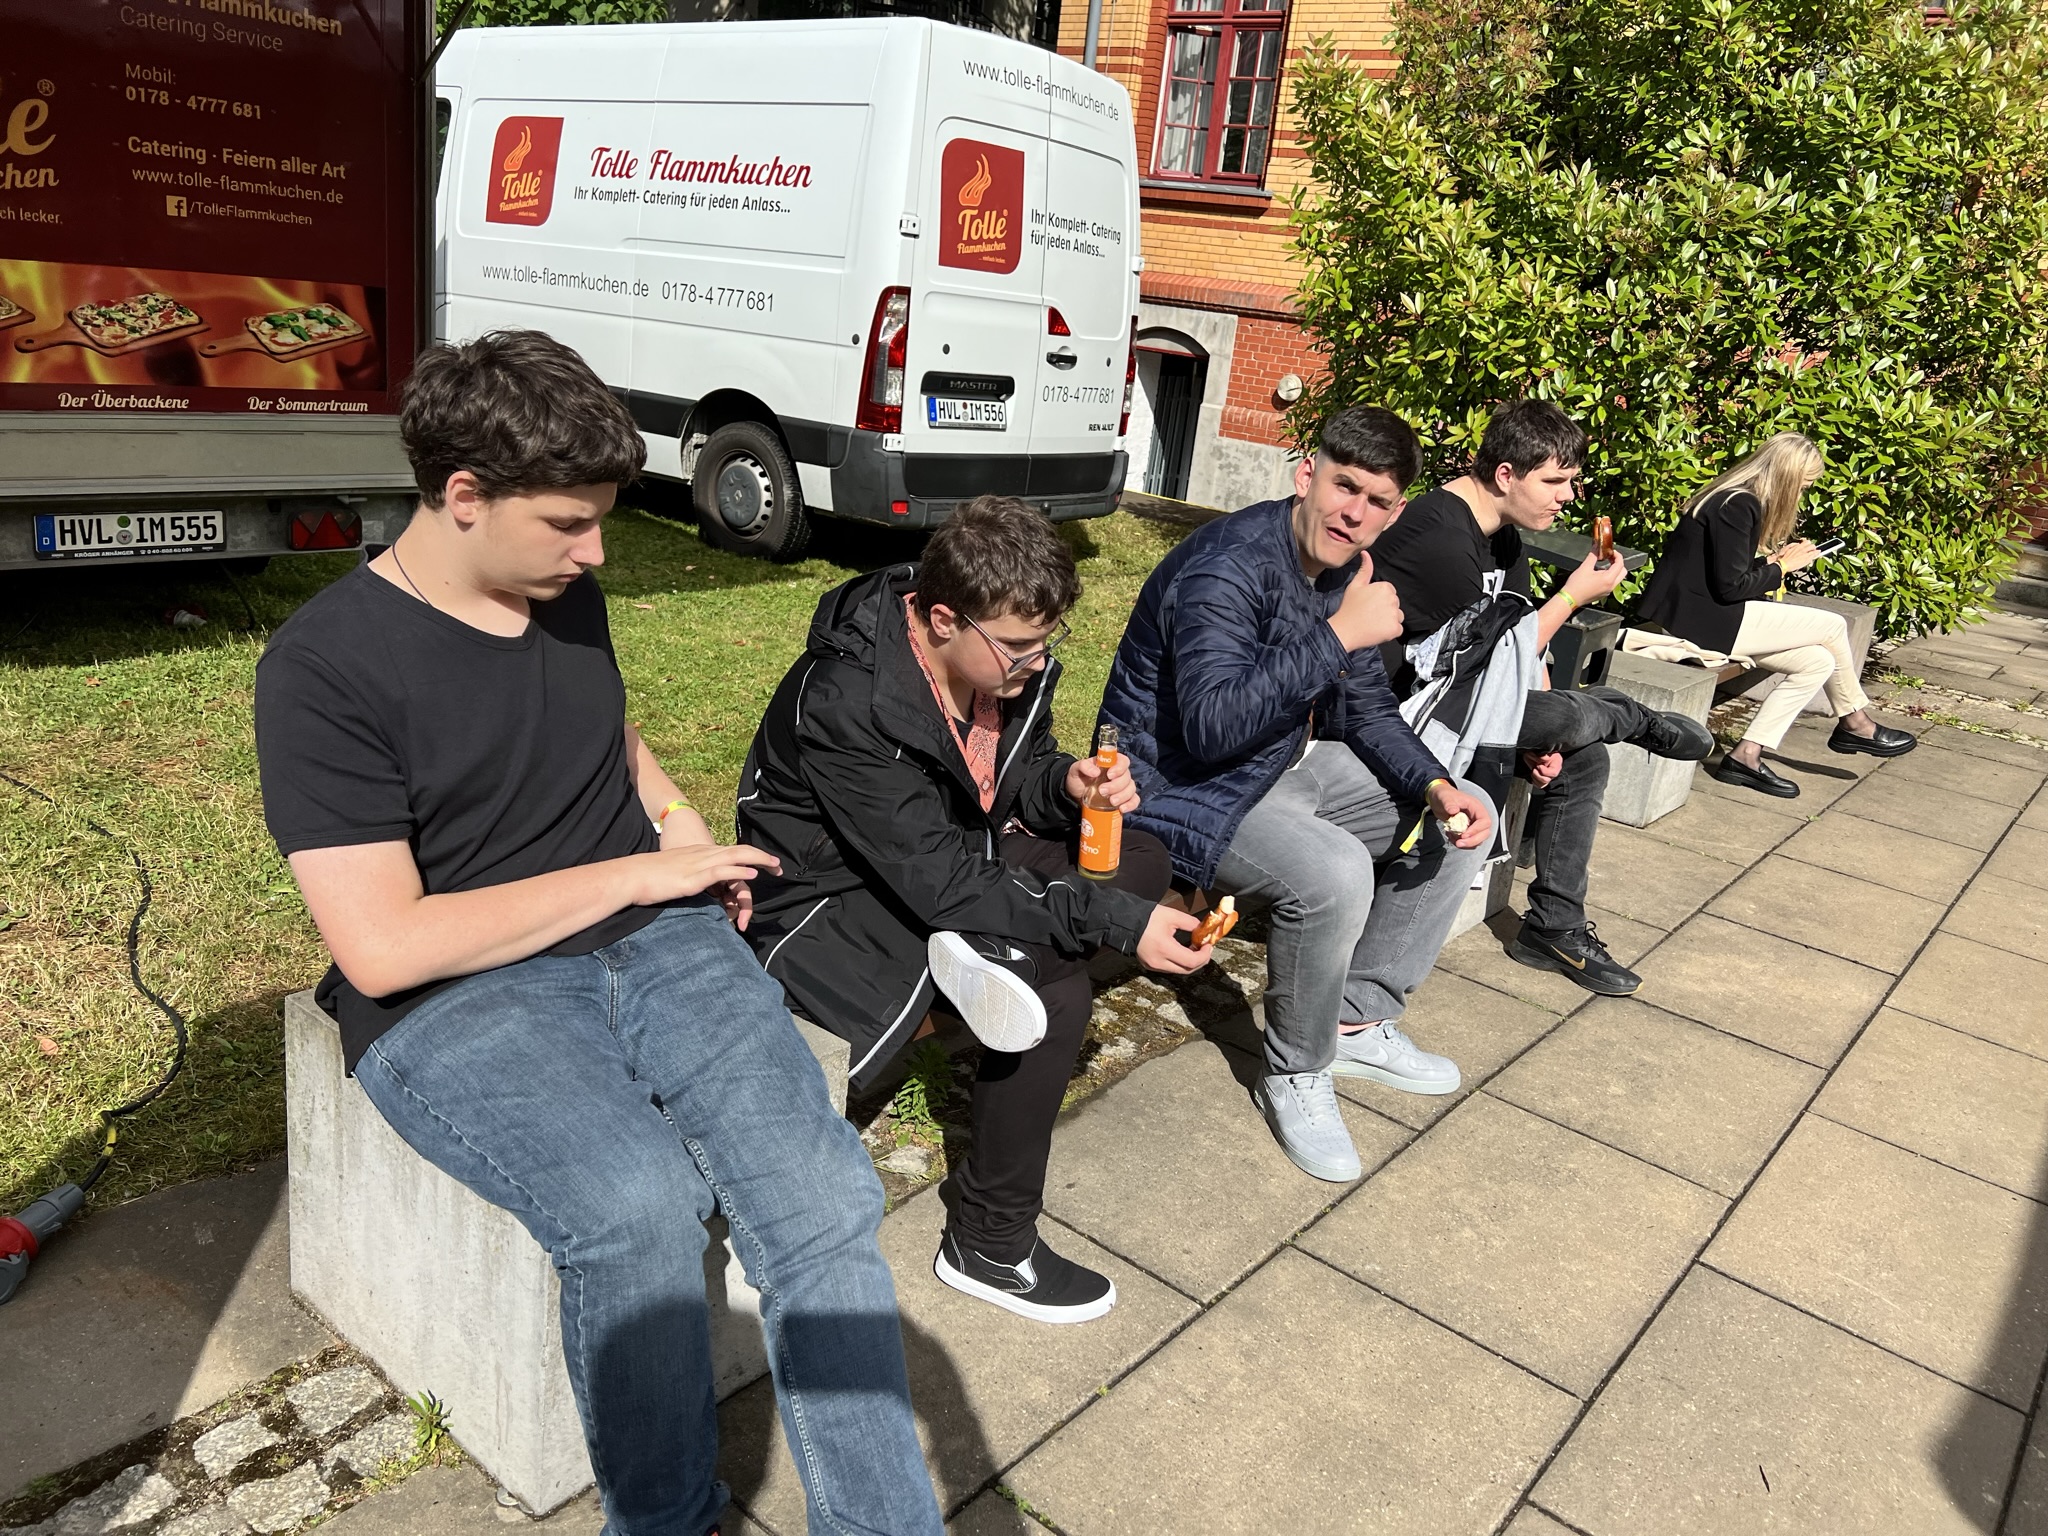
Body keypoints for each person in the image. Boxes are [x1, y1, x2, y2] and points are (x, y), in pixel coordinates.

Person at [254, 331, 942, 1536]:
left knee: (822, 1197)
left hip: (656, 939)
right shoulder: (322, 669)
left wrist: (679, 830)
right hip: (459, 994)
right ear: (464, 496)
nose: (597, 551)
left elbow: (606, 734)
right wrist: (634, 872)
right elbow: (384, 947)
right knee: (633, 1211)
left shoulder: (559, 590)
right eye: (569, 523)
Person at [737, 496, 1213, 1324]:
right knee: (1055, 994)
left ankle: (999, 954)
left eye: (1048, 640)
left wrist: (1065, 786)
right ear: (941, 619)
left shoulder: (999, 663)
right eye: (1021, 647)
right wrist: (1123, 926)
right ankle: (989, 1245)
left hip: (950, 862)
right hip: (840, 903)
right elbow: (941, 880)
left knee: (1140, 858)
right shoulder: (851, 702)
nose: (1038, 660)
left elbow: (1011, 774)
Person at [1098, 405, 1496, 1185]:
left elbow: (1365, 709)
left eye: (1377, 501)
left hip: (1273, 769)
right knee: (1334, 872)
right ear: (1307, 474)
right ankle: (1294, 1071)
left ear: (1395, 513)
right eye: (1345, 487)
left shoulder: (1347, 569)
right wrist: (1341, 635)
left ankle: (1357, 1020)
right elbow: (1210, 729)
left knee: (1456, 811)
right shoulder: (1227, 568)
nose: (1355, 513)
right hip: (1174, 788)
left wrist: (1435, 784)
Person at [1369, 399, 1716, 996]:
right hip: (1408, 715)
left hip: (1473, 705)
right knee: (1588, 717)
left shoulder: (1503, 537)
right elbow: (1485, 658)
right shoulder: (1440, 537)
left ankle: (1553, 927)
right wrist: (1573, 596)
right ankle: (1637, 719)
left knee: (1583, 755)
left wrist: (1542, 735)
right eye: (1555, 481)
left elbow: (1523, 651)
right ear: (1506, 474)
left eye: (1572, 482)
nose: (1567, 497)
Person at [1636, 431, 1915, 797]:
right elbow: (1730, 588)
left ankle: (1746, 756)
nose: (1801, 495)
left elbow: (1723, 575)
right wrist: (1783, 568)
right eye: (1803, 486)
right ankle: (1856, 722)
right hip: (1698, 622)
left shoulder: (1733, 498)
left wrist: (1772, 563)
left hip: (1705, 615)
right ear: (1787, 477)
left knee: (1817, 661)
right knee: (1832, 626)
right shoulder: (1738, 504)